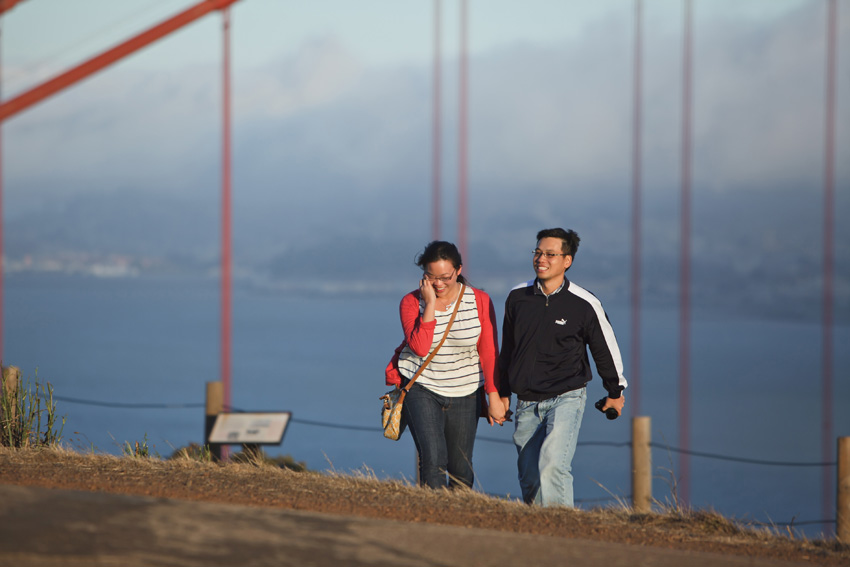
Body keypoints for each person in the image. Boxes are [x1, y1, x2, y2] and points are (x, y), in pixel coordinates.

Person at [498, 228, 627, 507]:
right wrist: (500, 392)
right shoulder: (517, 297)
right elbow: (508, 349)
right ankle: (540, 535)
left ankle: (562, 533)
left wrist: (615, 391)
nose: (541, 259)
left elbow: (604, 348)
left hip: (566, 397)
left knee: (553, 466)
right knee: (530, 475)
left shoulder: (585, 303)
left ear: (567, 260)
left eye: (550, 254)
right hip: (526, 401)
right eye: (537, 252)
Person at [385, 240, 508, 490]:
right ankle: (433, 517)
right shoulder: (411, 302)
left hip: (466, 390)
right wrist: (430, 304)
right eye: (431, 277)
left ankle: (459, 519)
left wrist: (493, 395)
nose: (438, 283)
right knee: (433, 459)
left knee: (461, 467)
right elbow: (420, 347)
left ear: (459, 270)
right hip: (421, 387)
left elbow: (488, 350)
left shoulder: (480, 300)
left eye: (445, 277)